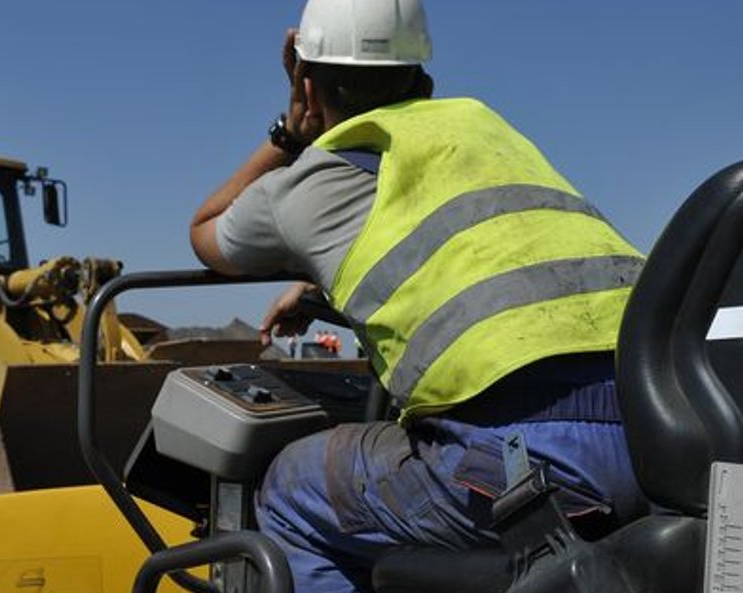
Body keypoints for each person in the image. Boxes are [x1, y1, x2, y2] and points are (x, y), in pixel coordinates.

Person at [189, 1, 649, 591]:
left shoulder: (304, 186)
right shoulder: (485, 128)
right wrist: (317, 285)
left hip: (531, 465)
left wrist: (288, 133)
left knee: (288, 489)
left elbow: (207, 230)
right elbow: (484, 252)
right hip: (658, 427)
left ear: (306, 80)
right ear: (424, 81)